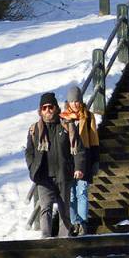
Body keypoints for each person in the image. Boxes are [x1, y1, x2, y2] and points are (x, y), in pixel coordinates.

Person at [26, 92, 85, 237]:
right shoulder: (35, 130)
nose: (48, 110)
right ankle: (46, 238)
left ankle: (64, 239)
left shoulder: (66, 126)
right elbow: (29, 152)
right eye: (44, 108)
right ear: (40, 111)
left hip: (63, 175)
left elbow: (78, 148)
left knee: (64, 210)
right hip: (44, 177)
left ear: (56, 108)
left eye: (50, 107)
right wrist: (33, 168)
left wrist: (78, 167)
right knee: (45, 208)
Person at [61, 85, 100, 236]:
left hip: (85, 158)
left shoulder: (88, 116)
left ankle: (83, 223)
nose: (75, 104)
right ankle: (74, 222)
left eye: (77, 101)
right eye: (72, 101)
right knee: (71, 194)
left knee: (82, 192)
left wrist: (95, 160)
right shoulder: (63, 118)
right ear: (68, 102)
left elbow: (94, 139)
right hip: (69, 160)